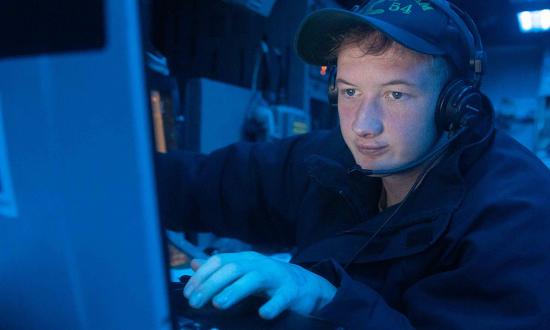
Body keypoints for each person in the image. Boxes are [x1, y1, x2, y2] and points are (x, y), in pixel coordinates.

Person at [156, 0, 550, 328]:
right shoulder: (330, 158)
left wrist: (326, 298)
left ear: (454, 107)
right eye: (350, 91)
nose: (363, 125)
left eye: (395, 94)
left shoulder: (517, 215)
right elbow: (199, 182)